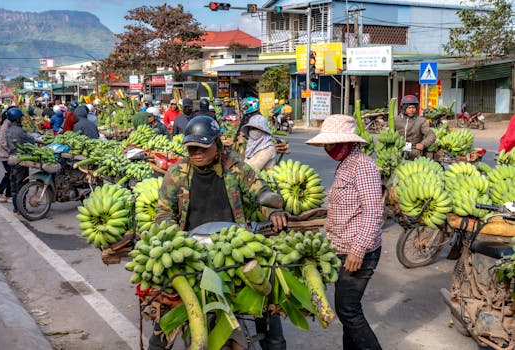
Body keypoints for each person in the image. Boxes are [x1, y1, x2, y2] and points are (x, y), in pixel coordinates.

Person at [153, 115, 287, 350]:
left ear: (217, 145)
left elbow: (260, 192)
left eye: (203, 147)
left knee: (266, 296)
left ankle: (274, 344)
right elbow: (163, 211)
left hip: (234, 245)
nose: (196, 152)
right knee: (166, 300)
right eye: (192, 147)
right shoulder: (177, 173)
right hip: (192, 247)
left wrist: (272, 211)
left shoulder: (235, 168)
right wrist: (172, 235)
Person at [305, 114, 383, 350]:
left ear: (348, 141)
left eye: (332, 143)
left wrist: (357, 251)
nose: (328, 148)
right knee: (348, 309)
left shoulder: (363, 166)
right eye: (326, 144)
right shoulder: (346, 164)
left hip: (357, 252)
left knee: (348, 310)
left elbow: (373, 212)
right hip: (342, 249)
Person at [6, 108, 37, 215]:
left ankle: (16, 208)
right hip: (20, 160)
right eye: (20, 117)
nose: (22, 119)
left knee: (14, 186)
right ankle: (22, 209)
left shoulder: (9, 129)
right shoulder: (19, 131)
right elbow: (31, 140)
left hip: (11, 159)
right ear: (17, 119)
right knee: (22, 186)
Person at [394, 95, 435, 160]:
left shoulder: (421, 120)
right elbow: (389, 133)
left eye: (413, 108)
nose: (412, 110)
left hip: (415, 152)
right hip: (397, 151)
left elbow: (431, 135)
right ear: (403, 108)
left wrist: (423, 144)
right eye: (409, 108)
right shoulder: (396, 120)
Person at [0, 108, 12, 203]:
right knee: (9, 174)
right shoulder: (5, 125)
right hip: (5, 155)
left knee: (11, 174)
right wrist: (11, 149)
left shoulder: (11, 124)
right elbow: (2, 141)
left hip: (10, 154)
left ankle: (8, 195)